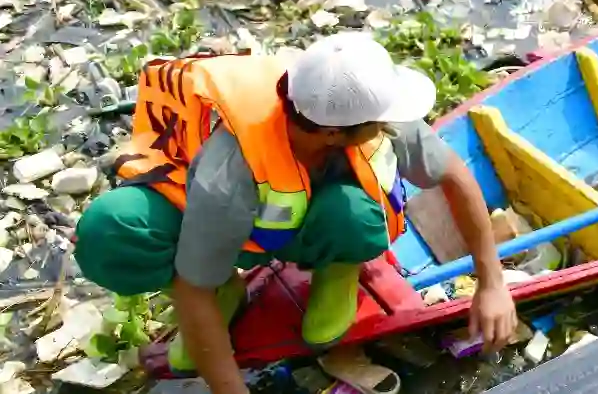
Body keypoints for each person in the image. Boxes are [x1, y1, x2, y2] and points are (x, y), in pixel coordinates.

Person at [75, 34, 517, 394]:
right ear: (331, 132)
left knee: (354, 212)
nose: (388, 126)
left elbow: (454, 176)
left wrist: (492, 283)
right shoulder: (229, 170)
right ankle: (227, 291)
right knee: (112, 234)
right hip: (223, 220)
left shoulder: (356, 106)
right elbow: (194, 286)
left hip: (302, 222)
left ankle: (337, 278)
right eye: (378, 122)